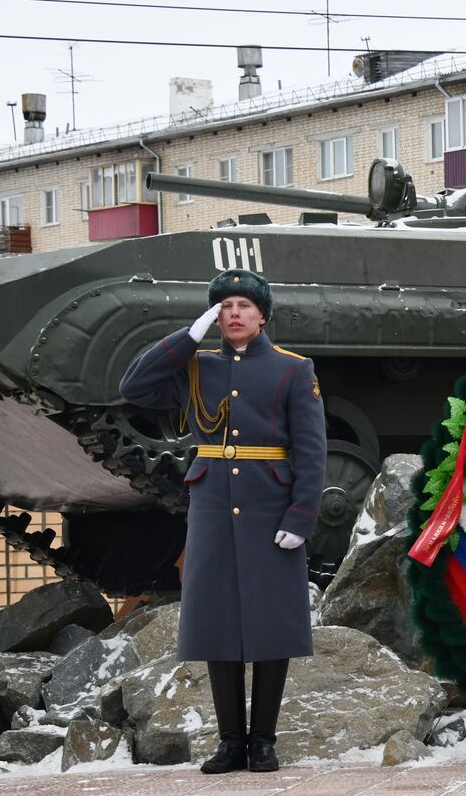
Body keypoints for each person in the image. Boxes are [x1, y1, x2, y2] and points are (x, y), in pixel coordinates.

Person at [119, 269, 325, 773]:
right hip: (212, 505)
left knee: (271, 620)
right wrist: (185, 339)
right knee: (217, 621)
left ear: (262, 316)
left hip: (269, 505)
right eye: (224, 306)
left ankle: (264, 742)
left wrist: (301, 515)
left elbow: (312, 451)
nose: (233, 313)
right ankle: (231, 741)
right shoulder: (197, 367)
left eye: (243, 306)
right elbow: (133, 386)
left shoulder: (292, 370)